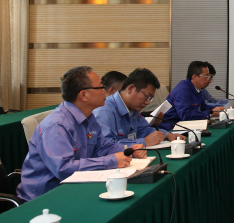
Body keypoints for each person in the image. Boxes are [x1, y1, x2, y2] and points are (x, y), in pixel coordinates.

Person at [16, 66, 143, 201]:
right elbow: (64, 169)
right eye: (100, 87)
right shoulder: (57, 125)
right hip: (45, 197)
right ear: (83, 95)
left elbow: (102, 147)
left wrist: (128, 149)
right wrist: (112, 161)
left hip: (75, 188)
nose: (104, 91)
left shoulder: (89, 118)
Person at [94, 68, 184, 147]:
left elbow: (145, 130)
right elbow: (106, 146)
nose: (148, 102)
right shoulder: (104, 110)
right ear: (130, 88)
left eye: (150, 98)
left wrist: (167, 135)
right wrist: (144, 142)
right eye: (147, 96)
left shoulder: (133, 109)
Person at [161, 61, 226, 130]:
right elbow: (185, 115)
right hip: (171, 127)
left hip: (186, 125)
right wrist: (210, 113)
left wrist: (220, 108)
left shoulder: (197, 89)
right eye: (206, 76)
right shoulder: (182, 90)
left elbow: (203, 107)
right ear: (194, 77)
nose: (209, 80)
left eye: (209, 77)